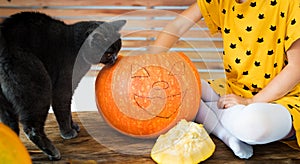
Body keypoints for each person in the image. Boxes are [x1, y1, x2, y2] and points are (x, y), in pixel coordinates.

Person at [149, 0, 300, 159]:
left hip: (284, 99)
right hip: (234, 94)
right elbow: (176, 26)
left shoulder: (291, 3)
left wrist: (251, 102)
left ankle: (211, 113)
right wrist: (148, 62)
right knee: (178, 81)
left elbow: (296, 68)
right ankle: (226, 135)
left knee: (253, 124)